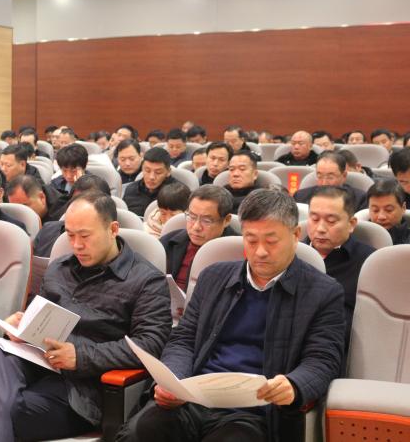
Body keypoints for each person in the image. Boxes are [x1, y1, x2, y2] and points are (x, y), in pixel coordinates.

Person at [116, 188, 346, 442]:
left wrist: (294, 384)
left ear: (295, 235)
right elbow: (184, 339)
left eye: (271, 241)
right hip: (194, 398)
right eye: (251, 240)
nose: (260, 251)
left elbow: (323, 359)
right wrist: (174, 381)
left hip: (255, 410)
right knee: (141, 431)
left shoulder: (323, 292)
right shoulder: (213, 276)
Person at [0, 192, 172, 442]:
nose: (76, 245)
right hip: (41, 364)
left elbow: (150, 345)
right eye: (70, 236)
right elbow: (40, 316)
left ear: (113, 229)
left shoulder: (146, 280)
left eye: (85, 236)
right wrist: (21, 327)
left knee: (2, 408)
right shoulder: (59, 268)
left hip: (86, 387)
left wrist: (81, 357)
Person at [305, 185, 375, 338]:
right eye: (314, 219)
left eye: (331, 221)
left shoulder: (370, 263)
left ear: (351, 224)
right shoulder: (292, 253)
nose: (320, 228)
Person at [160, 186, 236, 292]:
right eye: (192, 217)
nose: (196, 227)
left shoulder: (237, 252)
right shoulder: (168, 242)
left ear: (226, 220)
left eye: (206, 221)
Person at [33, 175, 111, 258]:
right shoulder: (47, 230)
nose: (77, 245)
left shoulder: (106, 240)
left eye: (84, 235)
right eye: (76, 202)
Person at [292, 151, 368, 211]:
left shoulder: (360, 199)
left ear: (344, 176)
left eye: (330, 177)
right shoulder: (300, 197)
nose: (324, 183)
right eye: (320, 176)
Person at [122, 147, 175, 216]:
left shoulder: (177, 194)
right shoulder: (131, 189)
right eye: (147, 171)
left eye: (158, 172)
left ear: (168, 172)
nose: (151, 177)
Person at [367, 179, 409, 245]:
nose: (381, 217)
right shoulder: (360, 236)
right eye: (375, 210)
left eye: (389, 210)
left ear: (403, 208)